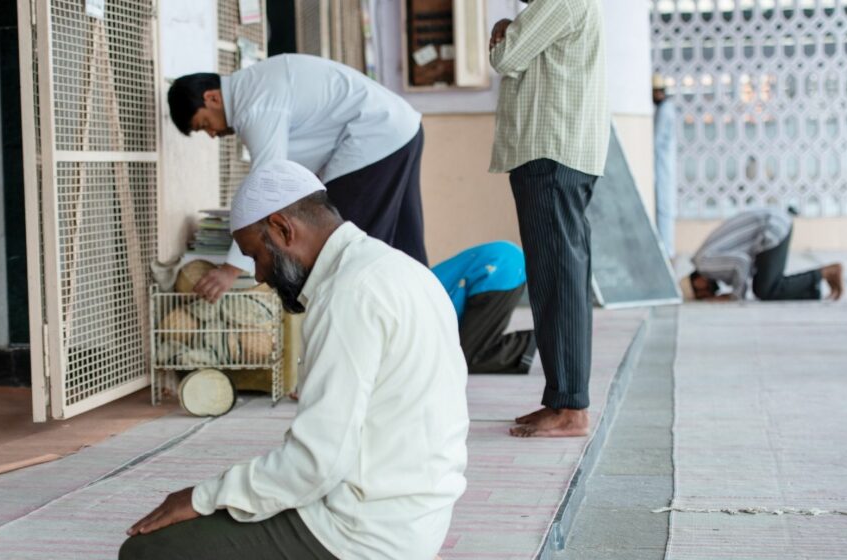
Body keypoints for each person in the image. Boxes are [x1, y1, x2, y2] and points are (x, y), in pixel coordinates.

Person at [120, 160, 469, 560]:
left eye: (255, 255)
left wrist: (202, 497)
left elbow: (315, 465)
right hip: (420, 519)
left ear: (283, 228)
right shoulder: (403, 270)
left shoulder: (348, 294)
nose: (261, 276)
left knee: (151, 551)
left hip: (362, 533)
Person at [167, 54, 428, 303]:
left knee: (346, 249)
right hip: (402, 129)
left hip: (375, 138)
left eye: (204, 125)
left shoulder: (254, 103)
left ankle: (374, 319)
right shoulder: (257, 83)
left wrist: (231, 270)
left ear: (211, 98)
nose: (212, 134)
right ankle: (427, 305)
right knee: (406, 244)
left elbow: (266, 185)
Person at [488, 0, 609, 438]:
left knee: (558, 281)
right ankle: (563, 400)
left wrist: (506, 28)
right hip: (557, 154)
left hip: (551, 154)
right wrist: (513, 26)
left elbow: (506, 56)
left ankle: (570, 408)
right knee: (560, 280)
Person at [681, 208, 844, 302]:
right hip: (770, 226)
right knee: (764, 287)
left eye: (702, 295)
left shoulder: (704, 263)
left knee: (766, 289)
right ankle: (811, 291)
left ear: (699, 283)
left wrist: (734, 297)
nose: (710, 295)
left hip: (770, 228)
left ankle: (826, 272)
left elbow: (741, 263)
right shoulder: (704, 258)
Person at [432, 241, 537, 373]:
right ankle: (541, 339)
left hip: (497, 269)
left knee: (465, 357)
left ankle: (540, 338)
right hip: (500, 263)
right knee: (462, 353)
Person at [653, 72, 677, 258]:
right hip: (664, 165)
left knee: (664, 210)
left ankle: (666, 251)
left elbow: (656, 140)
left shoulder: (665, 110)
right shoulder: (666, 109)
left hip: (663, 166)